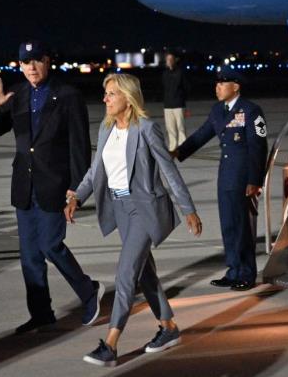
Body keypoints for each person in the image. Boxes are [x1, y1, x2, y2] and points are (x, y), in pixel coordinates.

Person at [65, 73, 202, 367]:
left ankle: (111, 344)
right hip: (120, 209)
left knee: (125, 274)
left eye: (111, 94)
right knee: (143, 272)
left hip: (144, 209)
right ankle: (168, 328)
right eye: (105, 94)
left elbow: (169, 170)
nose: (105, 99)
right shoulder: (106, 130)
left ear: (127, 98)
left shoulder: (147, 129)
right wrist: (77, 195)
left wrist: (187, 208)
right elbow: (95, 171)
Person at [0, 40, 104, 334]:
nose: (32, 67)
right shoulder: (18, 94)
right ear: (20, 65)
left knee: (51, 246)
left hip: (55, 184)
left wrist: (77, 190)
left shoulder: (68, 95)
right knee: (29, 255)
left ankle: (89, 292)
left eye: (37, 60)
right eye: (26, 62)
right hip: (25, 186)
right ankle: (41, 313)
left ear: (48, 61)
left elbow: (79, 146)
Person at [172, 69, 268, 291]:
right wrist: (177, 152)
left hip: (244, 178)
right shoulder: (218, 111)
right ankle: (233, 270)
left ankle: (246, 273)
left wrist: (255, 179)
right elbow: (202, 134)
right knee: (228, 225)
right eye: (216, 84)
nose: (218, 87)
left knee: (243, 226)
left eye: (223, 83)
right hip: (225, 175)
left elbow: (258, 147)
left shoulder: (251, 111)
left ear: (236, 87)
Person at [162, 50, 189, 151]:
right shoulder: (165, 73)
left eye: (170, 59)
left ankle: (183, 146)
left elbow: (186, 87)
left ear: (174, 60)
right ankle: (172, 146)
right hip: (168, 105)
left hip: (178, 104)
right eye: (167, 59)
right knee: (170, 128)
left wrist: (182, 99)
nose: (168, 61)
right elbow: (164, 87)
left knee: (180, 127)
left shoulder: (180, 72)